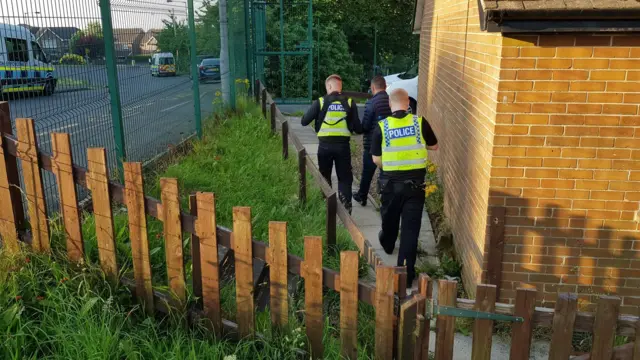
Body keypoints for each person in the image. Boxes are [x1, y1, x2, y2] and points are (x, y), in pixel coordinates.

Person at [371, 88, 438, 286]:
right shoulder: (419, 122)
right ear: (408, 103)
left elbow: (376, 159)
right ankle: (406, 276)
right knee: (410, 229)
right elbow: (434, 146)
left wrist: (390, 166)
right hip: (416, 186)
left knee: (389, 218)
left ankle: (388, 242)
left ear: (390, 104)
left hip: (391, 185)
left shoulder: (382, 127)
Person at [301, 74, 362, 213]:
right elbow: (358, 128)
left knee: (324, 176)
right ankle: (346, 208)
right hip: (343, 147)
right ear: (340, 86)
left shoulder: (320, 102)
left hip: (324, 146)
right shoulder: (350, 102)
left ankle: (326, 207)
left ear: (329, 86)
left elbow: (304, 121)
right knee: (345, 177)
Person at [353, 76, 392, 207]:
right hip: (388, 145)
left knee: (367, 173)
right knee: (385, 174)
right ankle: (384, 201)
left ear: (373, 87)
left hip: (372, 145)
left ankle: (362, 196)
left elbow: (365, 126)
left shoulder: (371, 103)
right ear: (385, 87)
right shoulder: (392, 101)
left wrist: (357, 127)